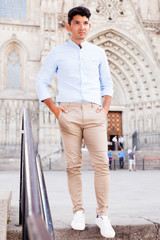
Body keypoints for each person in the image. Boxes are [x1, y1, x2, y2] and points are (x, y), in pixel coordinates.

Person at [36, 6, 115, 238]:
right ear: (68, 25)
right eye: (77, 22)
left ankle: (103, 215)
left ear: (89, 26)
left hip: (94, 113)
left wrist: (105, 109)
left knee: (102, 165)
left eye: (85, 23)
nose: (82, 26)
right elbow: (42, 81)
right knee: (73, 166)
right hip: (67, 112)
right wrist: (55, 109)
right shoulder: (57, 52)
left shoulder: (98, 53)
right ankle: (78, 211)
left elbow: (107, 84)